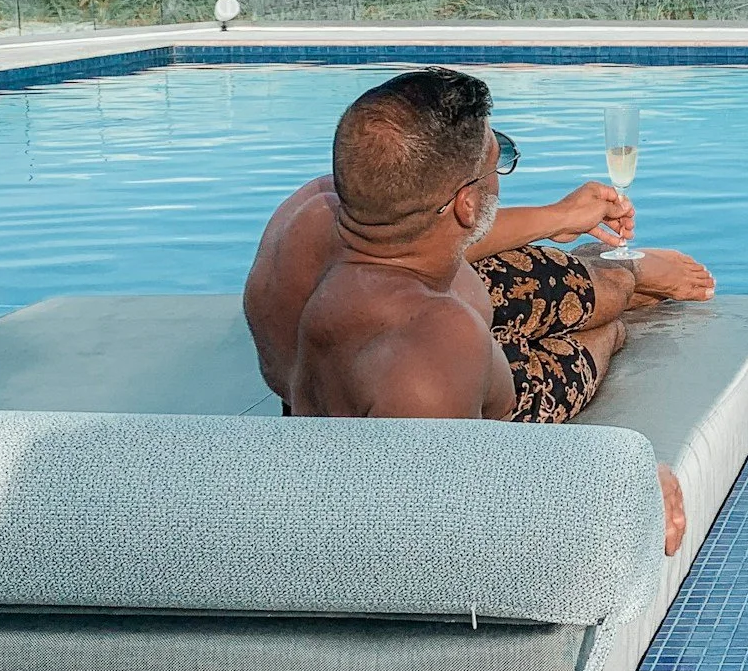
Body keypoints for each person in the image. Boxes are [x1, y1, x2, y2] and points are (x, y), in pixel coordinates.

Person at [244, 67, 715, 553]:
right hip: (458, 385)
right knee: (585, 335)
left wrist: (557, 218)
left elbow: (429, 231)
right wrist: (625, 487)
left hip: (404, 342)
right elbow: (446, 517)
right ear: (467, 204)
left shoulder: (333, 214)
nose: (500, 174)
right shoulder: (430, 354)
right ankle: (616, 315)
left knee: (556, 281)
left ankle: (619, 281)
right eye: (498, 163)